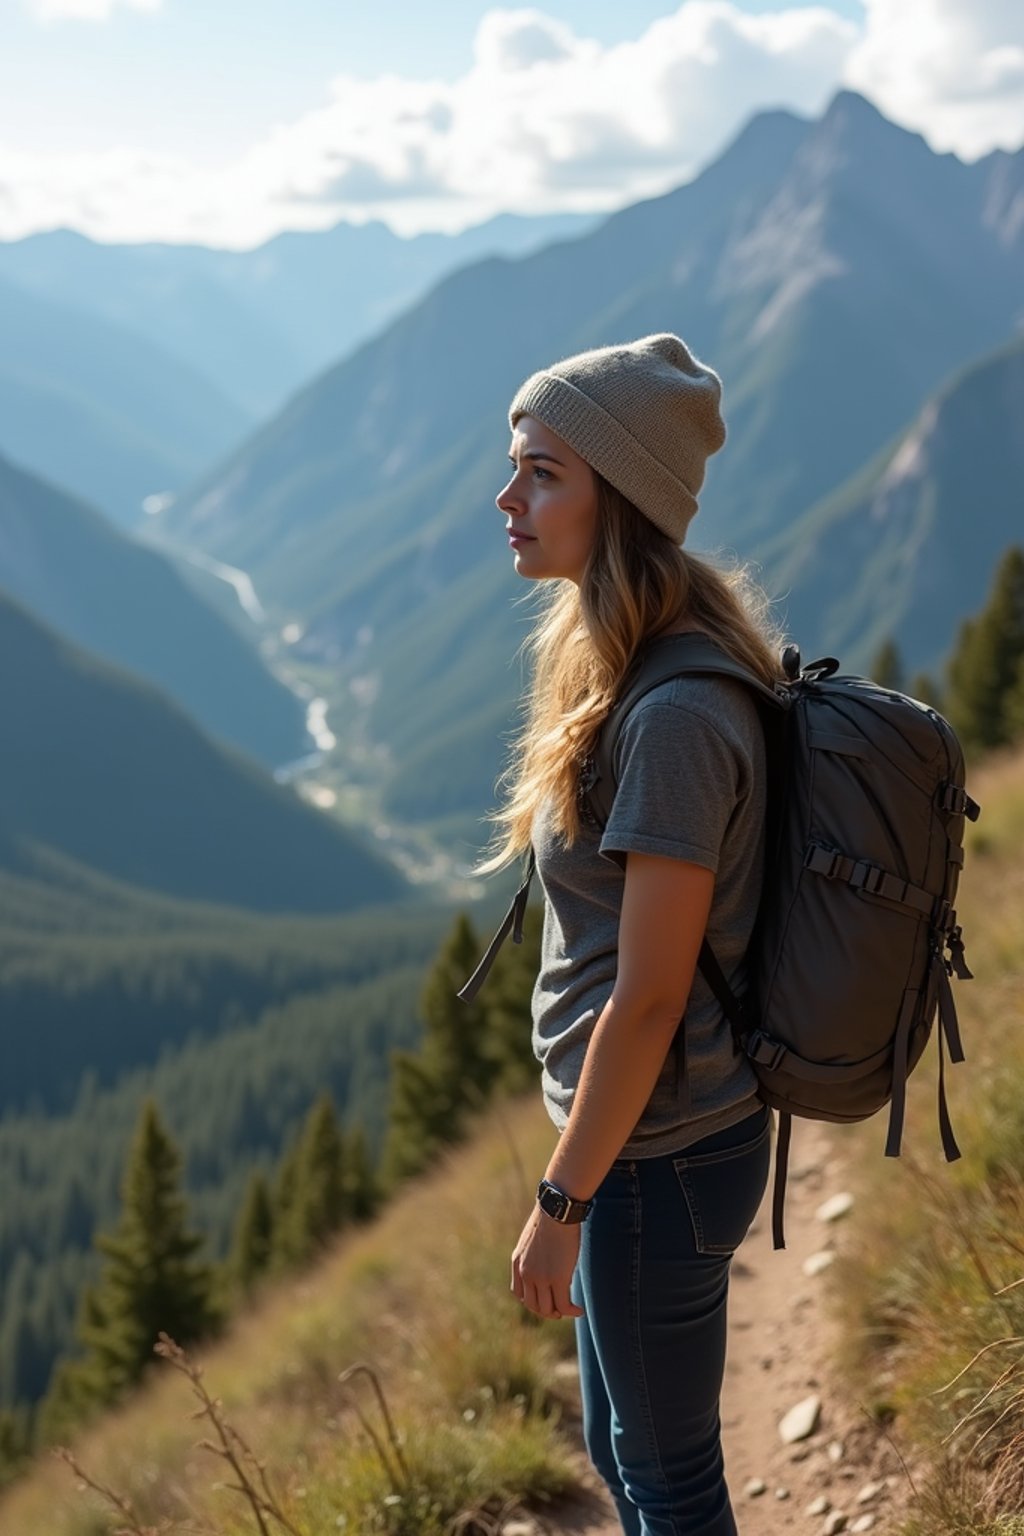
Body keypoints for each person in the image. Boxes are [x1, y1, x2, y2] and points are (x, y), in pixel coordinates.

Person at [478, 333, 785, 1536]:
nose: (508, 497)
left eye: (543, 472)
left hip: (656, 1157)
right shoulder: (625, 666)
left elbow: (650, 999)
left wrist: (560, 1205)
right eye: (516, 465)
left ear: (621, 496)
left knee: (667, 1482)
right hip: (642, 1151)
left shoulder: (673, 716)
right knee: (624, 1453)